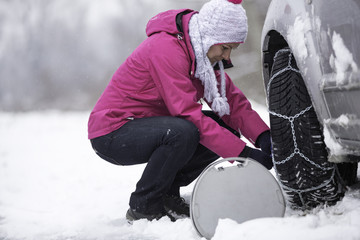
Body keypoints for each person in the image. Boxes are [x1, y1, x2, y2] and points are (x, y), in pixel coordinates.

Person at [88, 0, 272, 222]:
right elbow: (187, 114)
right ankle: (144, 205)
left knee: (225, 129)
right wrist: (244, 154)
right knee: (183, 132)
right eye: (225, 48)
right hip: (112, 132)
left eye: (230, 50)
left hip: (150, 124)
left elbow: (231, 102)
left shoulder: (199, 57)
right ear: (210, 37)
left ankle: (166, 194)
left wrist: (264, 137)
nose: (226, 57)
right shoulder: (165, 50)